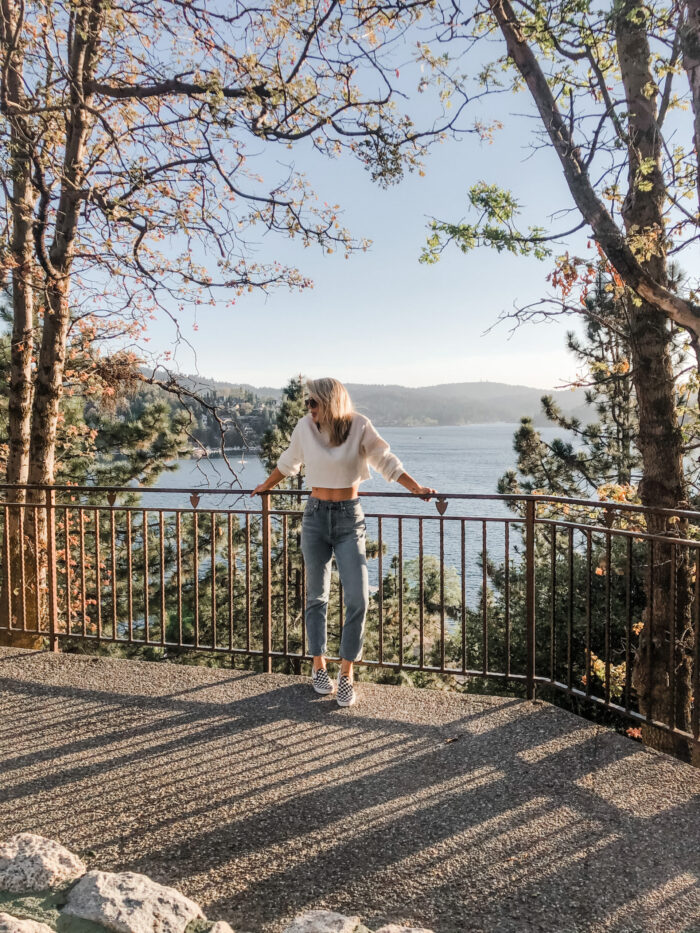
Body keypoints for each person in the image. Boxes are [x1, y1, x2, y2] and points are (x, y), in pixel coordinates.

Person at [251, 377, 436, 708]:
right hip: (315, 517)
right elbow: (287, 463)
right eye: (307, 403)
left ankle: (347, 673)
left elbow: (386, 461)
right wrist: (265, 486)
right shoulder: (305, 427)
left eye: (313, 403)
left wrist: (417, 488)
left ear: (329, 402)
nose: (308, 408)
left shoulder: (359, 426)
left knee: (358, 599)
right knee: (316, 596)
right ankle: (319, 666)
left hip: (350, 519)